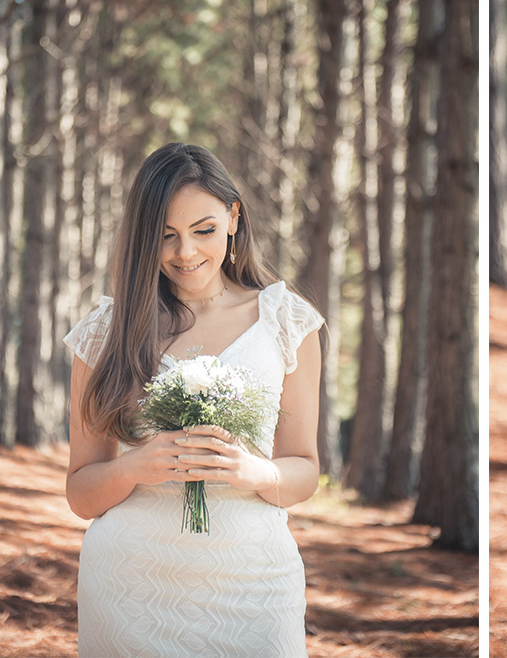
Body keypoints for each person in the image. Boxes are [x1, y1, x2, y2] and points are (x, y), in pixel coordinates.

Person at [64, 142, 323, 657]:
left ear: (234, 218)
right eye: (166, 235)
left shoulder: (285, 320)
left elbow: (306, 470)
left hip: (255, 586)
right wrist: (136, 466)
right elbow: (80, 493)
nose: (185, 253)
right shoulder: (107, 331)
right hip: (130, 590)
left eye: (203, 230)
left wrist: (255, 472)